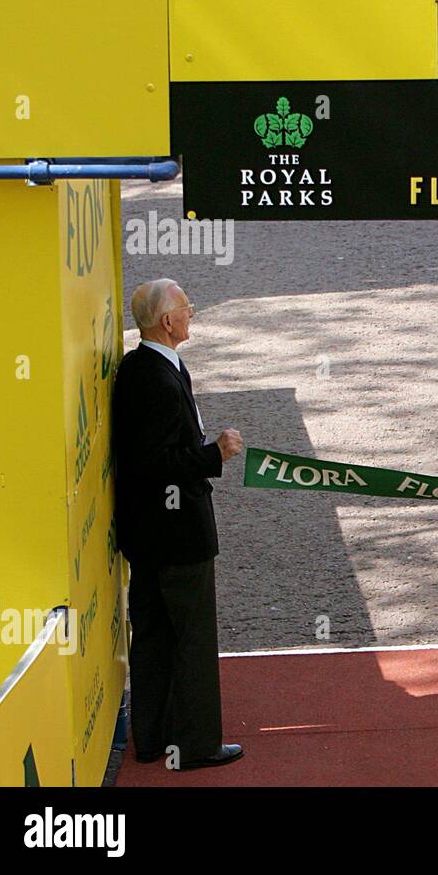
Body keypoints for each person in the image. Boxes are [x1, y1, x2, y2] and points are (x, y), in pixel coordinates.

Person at [114, 278, 246, 767]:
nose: (192, 313)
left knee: (151, 635)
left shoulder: (140, 367)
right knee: (191, 638)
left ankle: (150, 738)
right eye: (187, 307)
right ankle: (194, 744)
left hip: (146, 533)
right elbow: (158, 461)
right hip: (177, 533)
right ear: (168, 321)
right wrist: (215, 454)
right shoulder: (156, 377)